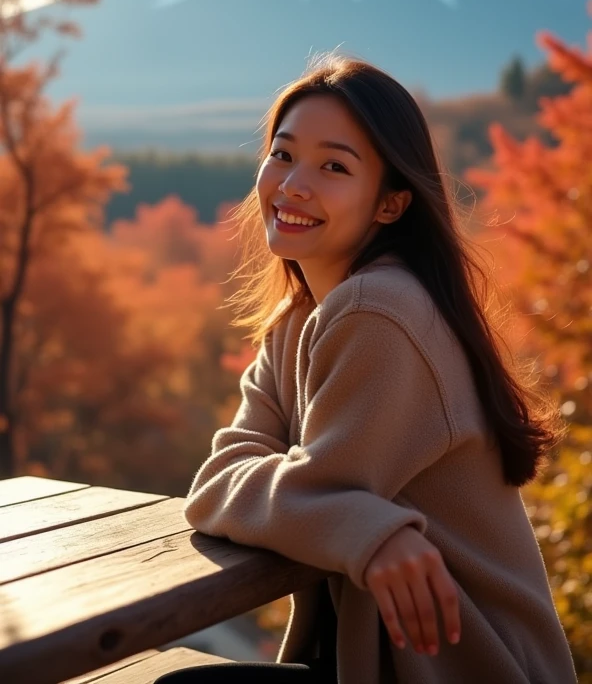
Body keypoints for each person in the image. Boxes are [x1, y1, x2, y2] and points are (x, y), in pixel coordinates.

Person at [155, 53, 577, 684]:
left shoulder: (378, 310)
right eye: (283, 153)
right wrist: (370, 527)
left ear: (390, 204)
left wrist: (361, 526)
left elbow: (304, 493)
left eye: (334, 167)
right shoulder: (300, 316)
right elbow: (221, 477)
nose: (293, 183)